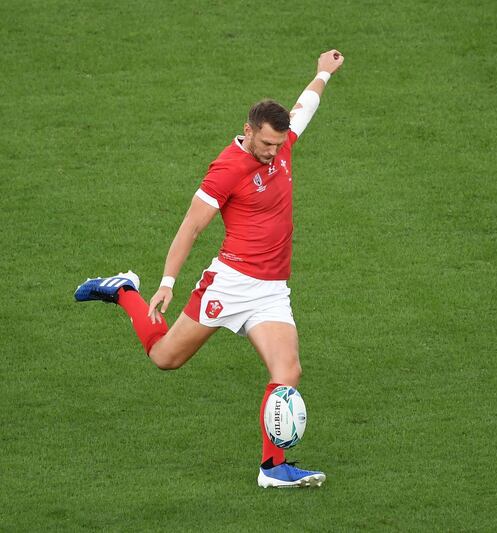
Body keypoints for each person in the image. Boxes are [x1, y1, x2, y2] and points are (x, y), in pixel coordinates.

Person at [74, 49, 345, 489]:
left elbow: (304, 107)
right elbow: (191, 227)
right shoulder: (226, 169)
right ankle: (125, 291)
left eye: (279, 144)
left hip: (272, 289)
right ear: (248, 132)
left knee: (287, 374)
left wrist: (322, 73)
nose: (274, 152)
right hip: (231, 284)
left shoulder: (281, 143)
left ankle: (272, 469)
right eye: (267, 144)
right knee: (166, 358)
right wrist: (166, 284)